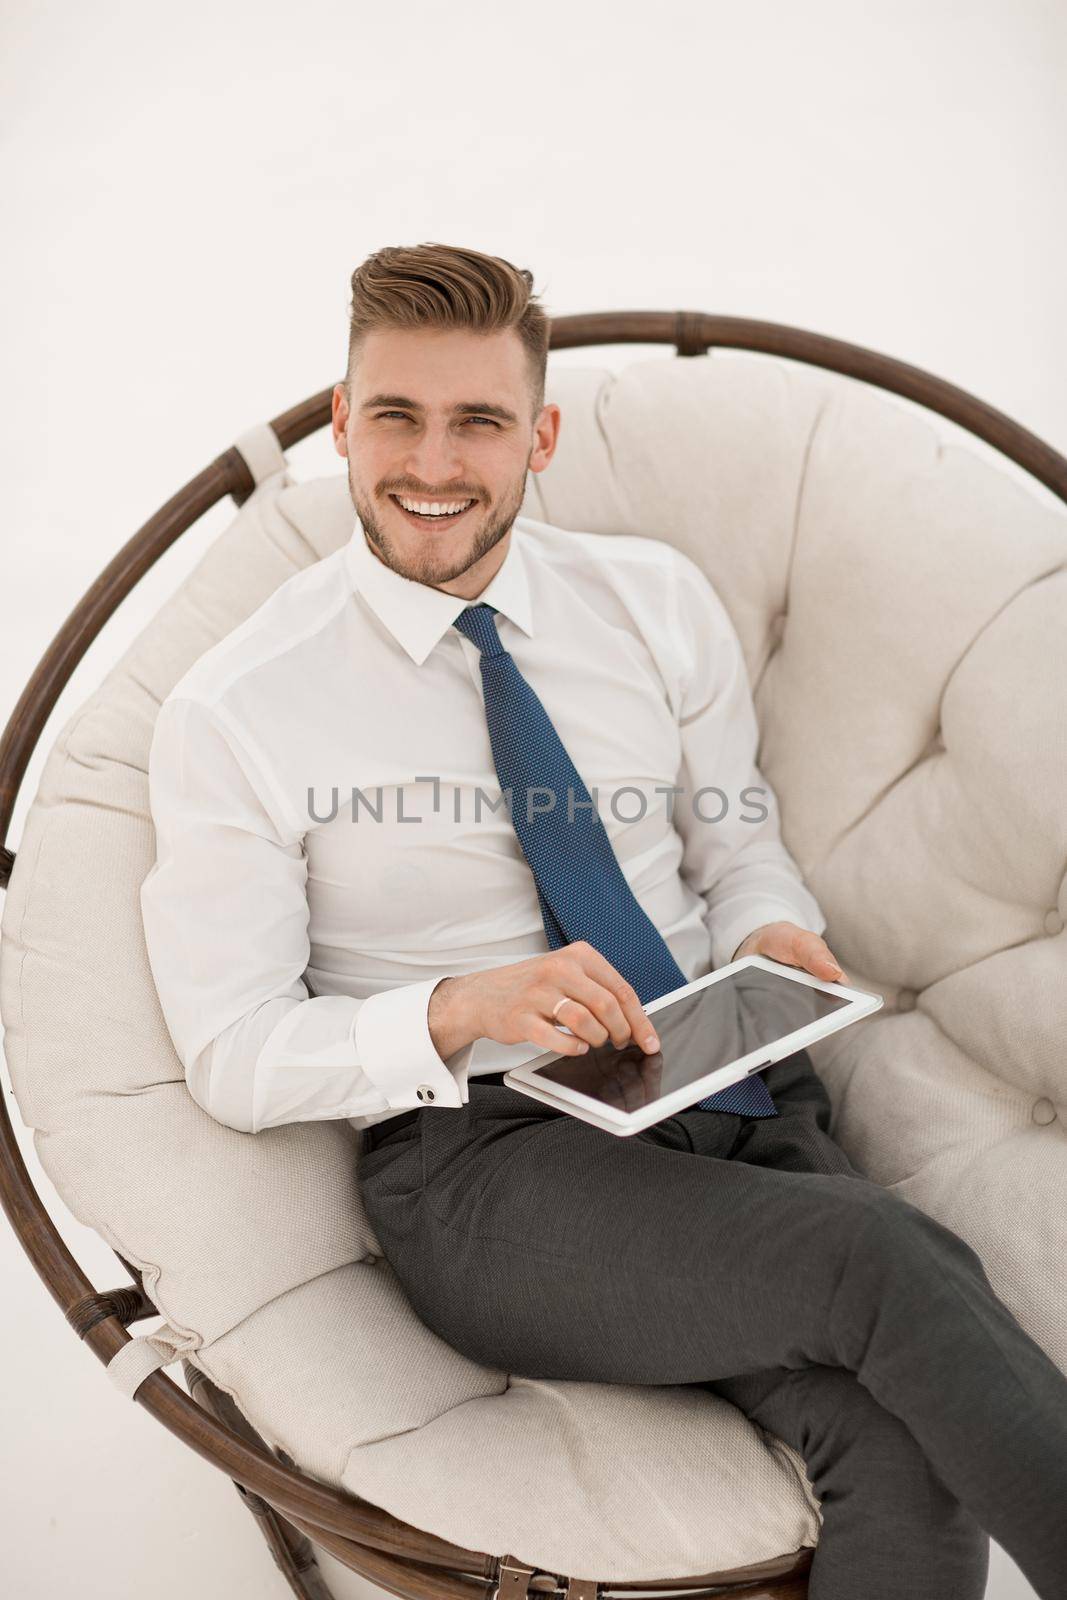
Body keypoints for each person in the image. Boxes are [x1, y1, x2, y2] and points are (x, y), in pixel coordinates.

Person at [140, 242, 1067, 1600]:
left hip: (723, 1073)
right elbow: (230, 1049)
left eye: (479, 422)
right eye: (394, 415)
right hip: (490, 1171)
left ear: (541, 435)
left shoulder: (650, 603)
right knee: (888, 1262)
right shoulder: (240, 709)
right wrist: (458, 1010)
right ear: (340, 422)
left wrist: (768, 936)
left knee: (899, 1433)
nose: (434, 464)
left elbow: (736, 844)